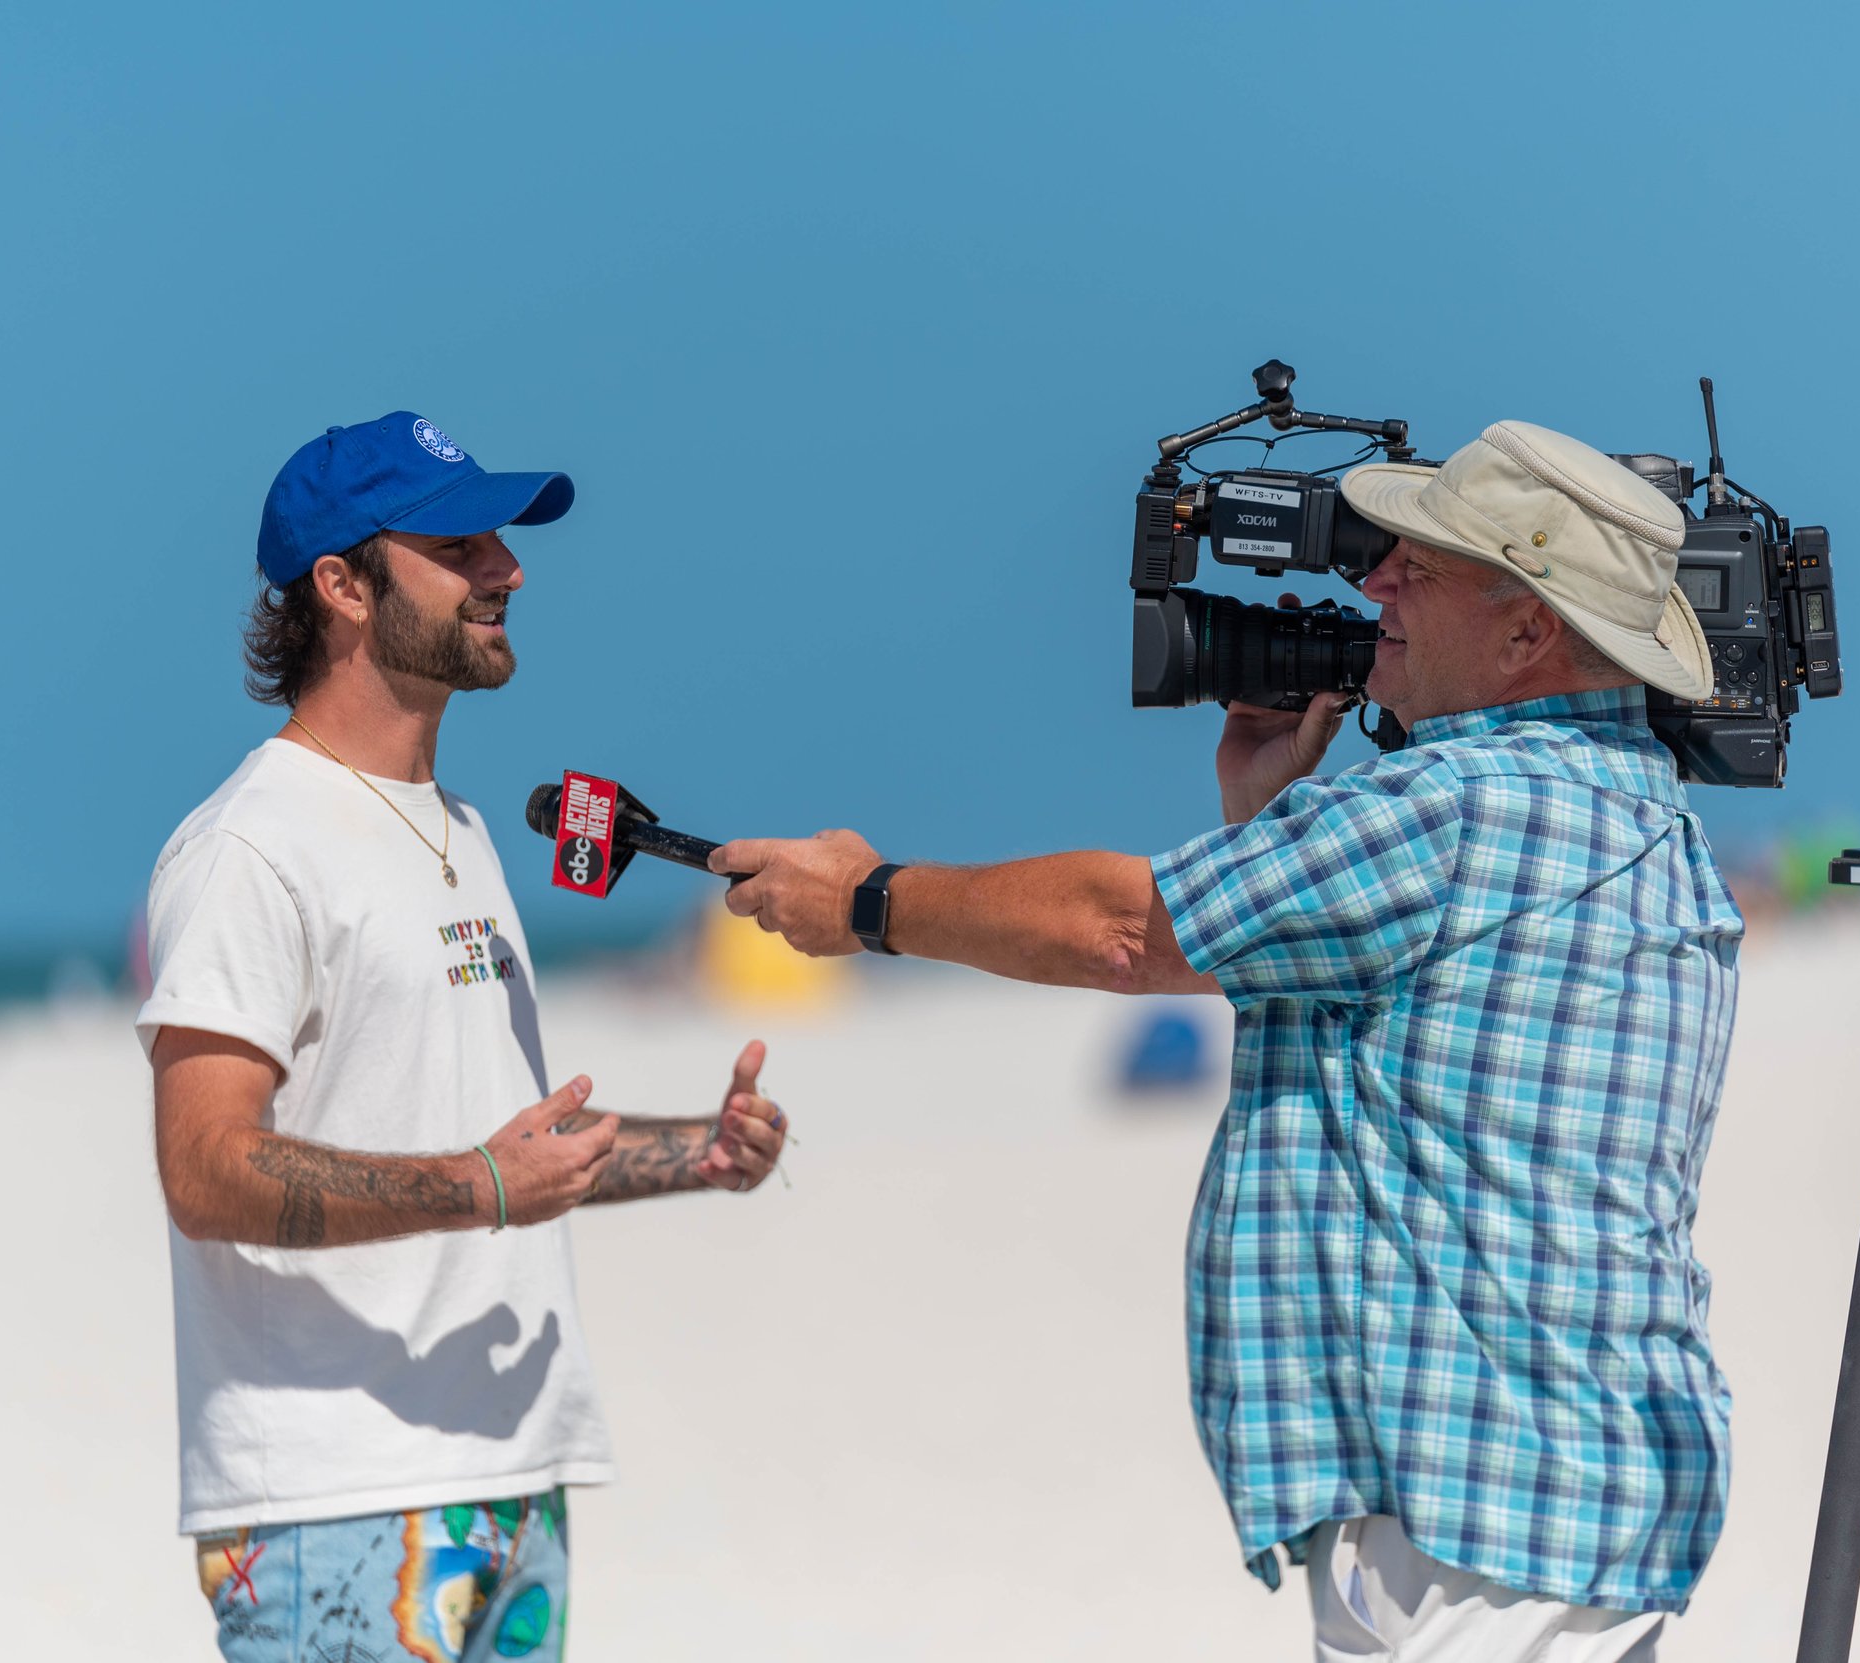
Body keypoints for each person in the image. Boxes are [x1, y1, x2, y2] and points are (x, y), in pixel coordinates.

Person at [715, 421, 1742, 1661]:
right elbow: (1401, 1033)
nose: (1376, 585)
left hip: (1491, 1505)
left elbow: (1122, 931)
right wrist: (1262, 824)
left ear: (1528, 631)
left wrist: (868, 900)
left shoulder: (1466, 803)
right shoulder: (1626, 800)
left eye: (1421, 565)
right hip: (1545, 1477)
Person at [138, 412, 790, 1663]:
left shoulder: (463, 830)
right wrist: (480, 1186)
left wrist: (698, 1151)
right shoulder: (249, 847)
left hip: (510, 1474)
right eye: (459, 542)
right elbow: (204, 1166)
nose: (508, 567)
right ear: (340, 584)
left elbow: (501, 1143)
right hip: (336, 1503)